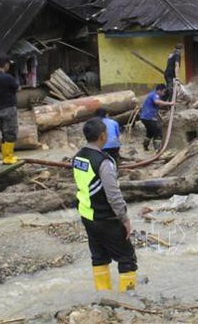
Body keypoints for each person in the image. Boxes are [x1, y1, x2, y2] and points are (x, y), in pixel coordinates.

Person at [72, 117, 138, 292]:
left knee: (99, 257)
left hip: (87, 215)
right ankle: (128, 299)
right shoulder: (104, 161)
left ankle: (103, 295)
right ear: (102, 136)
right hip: (106, 218)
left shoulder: (78, 157)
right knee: (127, 258)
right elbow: (113, 194)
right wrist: (125, 219)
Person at [139, 84, 174, 152]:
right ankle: (157, 150)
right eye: (163, 92)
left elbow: (157, 106)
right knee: (158, 132)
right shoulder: (155, 95)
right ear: (159, 90)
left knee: (150, 132)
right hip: (148, 118)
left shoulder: (153, 95)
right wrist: (170, 103)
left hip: (145, 117)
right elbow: (157, 102)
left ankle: (145, 147)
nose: (163, 94)